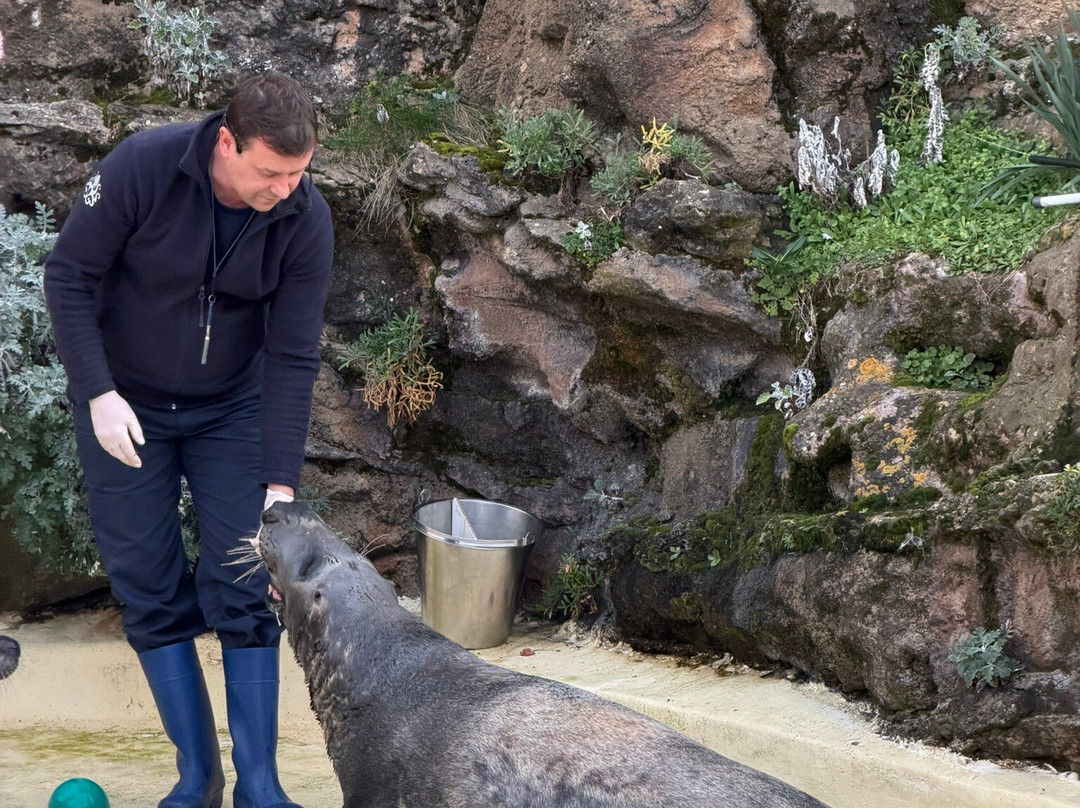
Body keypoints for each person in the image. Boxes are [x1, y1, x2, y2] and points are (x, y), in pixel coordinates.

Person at [44, 73, 334, 808]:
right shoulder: (142, 166)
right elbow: (69, 276)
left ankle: (259, 786)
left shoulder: (304, 215)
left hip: (231, 409)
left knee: (243, 583)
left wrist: (279, 482)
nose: (285, 189)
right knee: (146, 580)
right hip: (125, 405)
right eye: (271, 173)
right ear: (228, 144)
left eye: (299, 173)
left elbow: (295, 353)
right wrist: (97, 393)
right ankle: (197, 779)